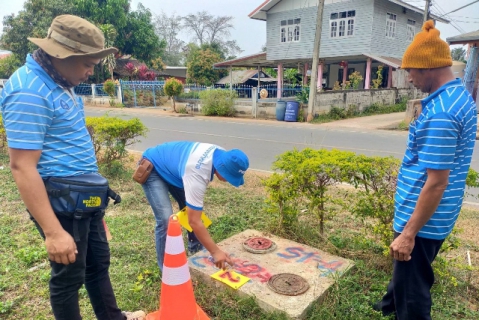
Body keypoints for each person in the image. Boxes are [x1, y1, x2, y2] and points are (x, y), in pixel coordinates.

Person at [0, 15, 145, 320]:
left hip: (85, 200)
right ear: (60, 55)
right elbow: (22, 166)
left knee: (97, 265)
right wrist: (53, 232)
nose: (91, 72)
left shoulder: (58, 80)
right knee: (68, 278)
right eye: (87, 64)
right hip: (62, 204)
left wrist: (94, 210)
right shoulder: (29, 91)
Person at [373, 20, 477, 320]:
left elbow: (436, 183)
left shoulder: (443, 113)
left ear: (429, 67)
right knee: (405, 272)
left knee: (414, 289)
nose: (409, 78)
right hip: (436, 214)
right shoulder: (458, 96)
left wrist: (409, 233)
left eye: (412, 71)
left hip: (424, 218)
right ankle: (388, 304)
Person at [141, 141, 249, 270]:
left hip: (176, 169)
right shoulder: (197, 173)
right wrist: (215, 251)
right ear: (221, 168)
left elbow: (193, 213)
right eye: (229, 176)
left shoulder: (221, 154)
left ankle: (196, 248)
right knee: (165, 219)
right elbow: (194, 221)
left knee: (190, 208)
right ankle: (166, 270)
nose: (229, 180)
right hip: (153, 167)